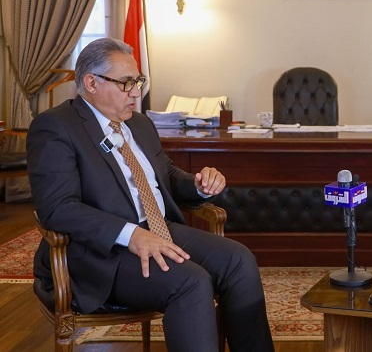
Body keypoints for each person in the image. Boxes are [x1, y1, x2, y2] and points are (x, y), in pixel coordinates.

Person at [28, 38, 274, 352]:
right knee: (191, 282)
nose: (136, 92)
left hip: (159, 229)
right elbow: (57, 208)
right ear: (91, 83)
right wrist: (131, 234)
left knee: (239, 261)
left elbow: (165, 176)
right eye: (125, 83)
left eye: (138, 81)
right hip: (101, 253)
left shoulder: (140, 124)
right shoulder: (56, 127)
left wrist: (198, 185)